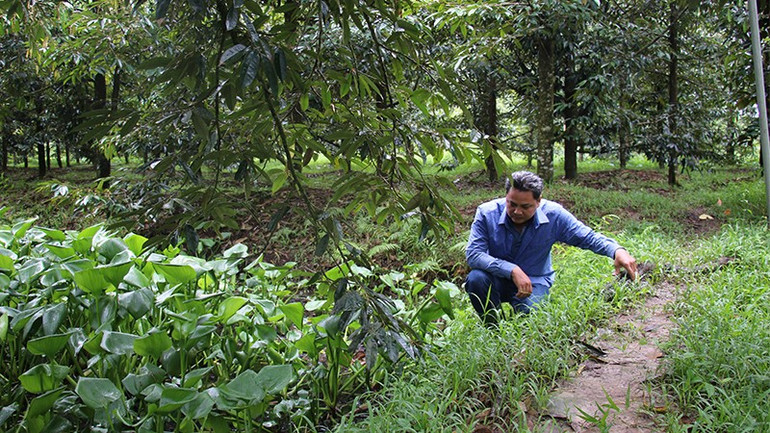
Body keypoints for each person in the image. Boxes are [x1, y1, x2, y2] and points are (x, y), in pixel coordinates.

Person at [465, 171, 637, 324]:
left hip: (535, 281)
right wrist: (512, 270)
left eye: (525, 206)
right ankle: (493, 329)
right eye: (512, 204)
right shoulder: (487, 213)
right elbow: (473, 254)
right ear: (506, 197)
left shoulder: (554, 215)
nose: (517, 211)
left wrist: (616, 250)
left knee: (529, 318)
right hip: (497, 279)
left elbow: (586, 237)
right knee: (476, 279)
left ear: (538, 201)